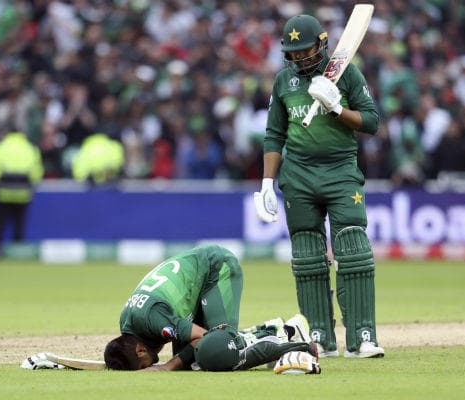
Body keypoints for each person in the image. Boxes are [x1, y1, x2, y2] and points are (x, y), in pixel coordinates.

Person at [253, 14, 384, 359]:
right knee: (308, 255)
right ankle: (320, 337)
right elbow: (274, 134)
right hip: (298, 175)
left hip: (340, 171)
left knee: (353, 249)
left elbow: (372, 122)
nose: (299, 57)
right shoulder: (284, 81)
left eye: (305, 50)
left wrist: (337, 107)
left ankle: (362, 337)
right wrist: (266, 183)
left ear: (322, 45)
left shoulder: (347, 73)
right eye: (293, 52)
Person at [103, 244, 319, 372]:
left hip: (216, 269)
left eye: (144, 366)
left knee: (218, 351)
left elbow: (204, 336)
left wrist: (168, 365)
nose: (149, 368)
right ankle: (272, 329)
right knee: (193, 361)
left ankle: (289, 335)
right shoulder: (130, 322)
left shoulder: (153, 319)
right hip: (195, 284)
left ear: (140, 350)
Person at [0, 129, 44, 247]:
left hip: (3, 193)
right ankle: (18, 250)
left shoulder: (0, 147)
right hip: (23, 194)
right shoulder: (31, 148)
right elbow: (36, 174)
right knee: (19, 225)